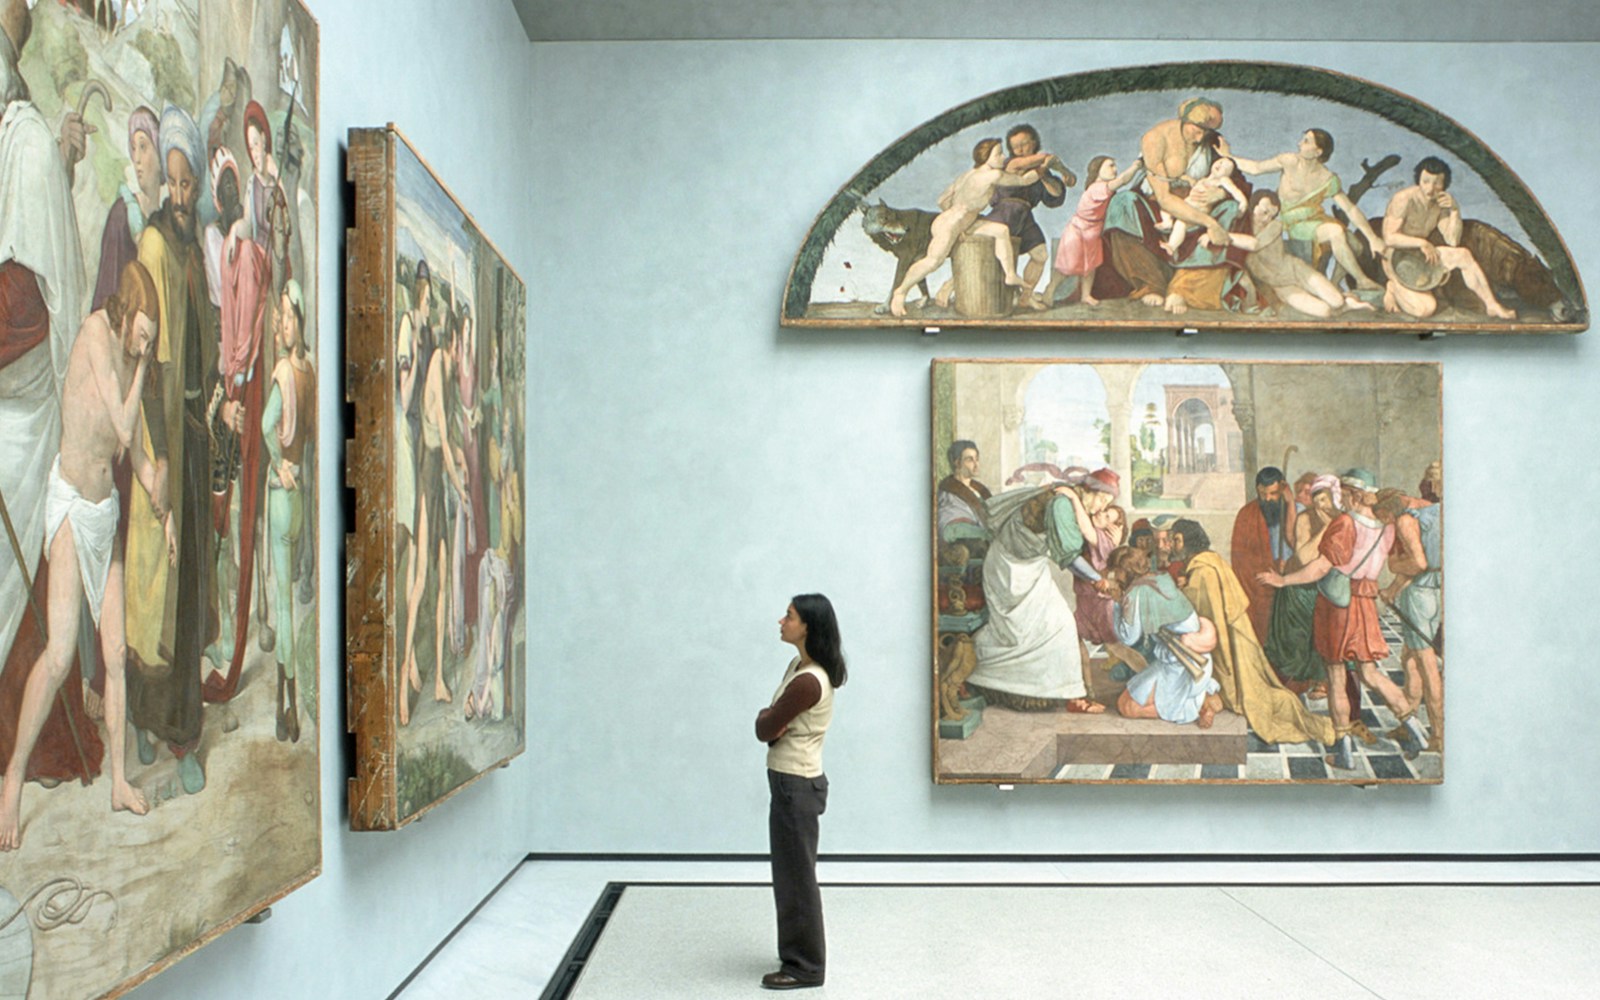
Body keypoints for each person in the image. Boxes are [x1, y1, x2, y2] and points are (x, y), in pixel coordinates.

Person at [0, 262, 163, 850]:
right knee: (63, 651)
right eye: (143, 334)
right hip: (71, 509)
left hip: (106, 514)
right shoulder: (98, 336)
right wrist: (143, 364)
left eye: (150, 339)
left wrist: (156, 488)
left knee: (115, 654)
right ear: (127, 312)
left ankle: (119, 782)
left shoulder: (128, 352)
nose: (145, 345)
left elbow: (136, 453)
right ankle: (13, 779)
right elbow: (122, 426)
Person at [125, 105, 216, 795]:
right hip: (159, 438)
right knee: (154, 591)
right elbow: (150, 365)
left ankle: (184, 733)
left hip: (192, 432)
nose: (180, 196)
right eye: (174, 184)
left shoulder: (194, 247)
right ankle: (143, 719)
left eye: (189, 185)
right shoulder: (154, 246)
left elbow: (203, 348)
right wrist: (152, 457)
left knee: (186, 600)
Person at [1256, 468, 1422, 770]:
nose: (1338, 499)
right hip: (1365, 605)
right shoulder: (1386, 526)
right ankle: (1415, 729)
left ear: (1353, 494)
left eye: (1342, 493)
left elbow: (1320, 568)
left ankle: (1344, 753)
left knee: (1335, 677)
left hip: (1339, 606)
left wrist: (1282, 581)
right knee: (1370, 674)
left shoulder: (1345, 522)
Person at [1174, 518, 1335, 747]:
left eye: (1177, 540)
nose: (1172, 544)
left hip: (1230, 639)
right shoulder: (1211, 560)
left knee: (1246, 695)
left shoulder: (1203, 572)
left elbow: (1209, 616)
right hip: (1239, 631)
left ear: (1189, 541)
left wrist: (1184, 591)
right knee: (1258, 689)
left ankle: (1316, 727)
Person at [755, 594, 847, 991]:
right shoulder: (800, 666)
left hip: (796, 785)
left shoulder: (809, 680)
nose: (781, 621)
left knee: (796, 879)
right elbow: (771, 726)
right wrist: (770, 723)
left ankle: (806, 967)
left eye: (789, 616)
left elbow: (764, 727)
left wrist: (766, 721)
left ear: (807, 626)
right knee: (791, 874)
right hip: (791, 783)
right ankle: (796, 955)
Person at [968, 475, 1109, 713]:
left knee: (1061, 625)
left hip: (1032, 568)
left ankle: (1068, 695)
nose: (1102, 507)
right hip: (1008, 570)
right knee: (1018, 633)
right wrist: (1097, 580)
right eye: (1102, 499)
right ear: (1088, 491)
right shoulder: (1061, 505)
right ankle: (981, 674)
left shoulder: (1069, 498)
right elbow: (1069, 558)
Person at [889, 138, 1040, 317]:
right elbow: (1023, 180)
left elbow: (942, 200)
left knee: (1001, 231)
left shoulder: (966, 175)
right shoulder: (993, 175)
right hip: (951, 225)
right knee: (932, 261)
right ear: (986, 157)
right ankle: (900, 292)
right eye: (998, 154)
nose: (1003, 157)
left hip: (954, 221)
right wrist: (1044, 167)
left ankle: (1009, 274)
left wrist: (961, 218)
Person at [1223, 128, 1385, 289]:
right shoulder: (1289, 161)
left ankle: (1334, 283)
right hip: (1293, 222)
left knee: (1355, 245)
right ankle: (1362, 280)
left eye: (1306, 141)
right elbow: (1256, 168)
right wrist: (1228, 157)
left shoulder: (1328, 178)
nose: (1299, 143)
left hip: (1315, 220)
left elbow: (1350, 209)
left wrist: (1373, 238)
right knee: (1336, 232)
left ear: (1318, 152)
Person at [262, 280, 313, 742]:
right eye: (279, 316)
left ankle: (291, 708)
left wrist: (279, 467)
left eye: (287, 316)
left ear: (298, 320)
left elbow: (263, 427)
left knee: (283, 608)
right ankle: (283, 705)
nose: (281, 323)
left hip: (282, 498)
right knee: (286, 602)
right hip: (299, 500)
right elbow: (309, 438)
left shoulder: (283, 371)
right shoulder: (310, 373)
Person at [1380, 156, 1515, 320]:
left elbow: (1452, 241)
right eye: (1426, 181)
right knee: (1426, 309)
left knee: (1463, 255)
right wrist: (1421, 242)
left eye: (1437, 183)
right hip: (1397, 260)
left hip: (1422, 255)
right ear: (1419, 181)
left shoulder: (1441, 203)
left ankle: (1492, 305)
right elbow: (1389, 238)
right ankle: (1393, 287)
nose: (1431, 188)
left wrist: (1454, 211)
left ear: (1444, 185)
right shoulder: (1404, 199)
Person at [1104, 544, 1223, 727]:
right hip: (1187, 655)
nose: (1112, 577)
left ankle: (1194, 706)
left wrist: (1116, 604)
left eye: (1114, 572)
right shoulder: (1160, 578)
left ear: (1123, 572)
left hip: (1180, 661)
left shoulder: (1135, 593)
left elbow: (1128, 637)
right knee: (1128, 700)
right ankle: (1202, 698)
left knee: (1126, 707)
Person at [1376, 485, 1443, 754]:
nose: (1386, 524)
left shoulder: (1406, 520)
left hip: (1417, 596)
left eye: (1384, 518)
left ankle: (1438, 735)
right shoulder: (1436, 511)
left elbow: (1417, 564)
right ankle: (1410, 720)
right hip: (1435, 592)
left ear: (1389, 508)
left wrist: (1392, 567)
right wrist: (1392, 590)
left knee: (1427, 666)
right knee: (1410, 659)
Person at [1234, 191, 1374, 318]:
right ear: (1253, 206)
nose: (1266, 219)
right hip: (1281, 286)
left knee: (1336, 301)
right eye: (1264, 212)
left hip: (1296, 270)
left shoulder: (1274, 226)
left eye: (1271, 215)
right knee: (1324, 311)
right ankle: (1347, 305)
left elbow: (1255, 244)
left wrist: (1226, 236)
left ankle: (1346, 302)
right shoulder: (1241, 230)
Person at [980, 125, 1073, 309]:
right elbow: (1035, 162)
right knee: (988, 254)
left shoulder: (1043, 171)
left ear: (1034, 143)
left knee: (1040, 255)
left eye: (1024, 144)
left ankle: (1026, 297)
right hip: (1005, 212)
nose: (1020, 150)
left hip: (1025, 216)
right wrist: (1058, 167)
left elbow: (1055, 198)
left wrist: (1046, 175)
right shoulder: (1009, 164)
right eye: (1016, 146)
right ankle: (948, 287)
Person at [1040, 154, 1140, 307]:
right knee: (1067, 266)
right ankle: (1049, 291)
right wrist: (1136, 166)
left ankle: (1086, 295)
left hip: (1094, 231)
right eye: (1110, 166)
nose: (1115, 169)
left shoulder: (1106, 188)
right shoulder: (1097, 187)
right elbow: (1122, 180)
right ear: (1097, 170)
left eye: (1115, 165)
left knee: (1091, 266)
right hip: (1078, 230)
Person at [1229, 466, 1294, 645]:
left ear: (1282, 489)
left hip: (1291, 583)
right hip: (1261, 588)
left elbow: (1299, 546)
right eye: (1262, 493)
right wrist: (1271, 567)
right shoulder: (1246, 515)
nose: (1267, 499)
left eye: (1273, 493)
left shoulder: (1292, 510)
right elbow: (1241, 560)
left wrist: (1288, 567)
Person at [1159, 156, 1246, 257]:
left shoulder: (1222, 181)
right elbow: (1191, 182)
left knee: (1181, 223)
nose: (1221, 166)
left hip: (1197, 212)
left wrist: (1243, 203)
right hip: (1185, 205)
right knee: (1166, 206)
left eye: (1226, 168)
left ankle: (1171, 246)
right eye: (1220, 162)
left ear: (1228, 175)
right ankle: (1167, 222)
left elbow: (1236, 192)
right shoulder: (1203, 179)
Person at [936, 439, 991, 539]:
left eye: (977, 459)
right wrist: (988, 535)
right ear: (957, 463)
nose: (976, 464)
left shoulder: (979, 490)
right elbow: (951, 530)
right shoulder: (949, 493)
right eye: (970, 460)